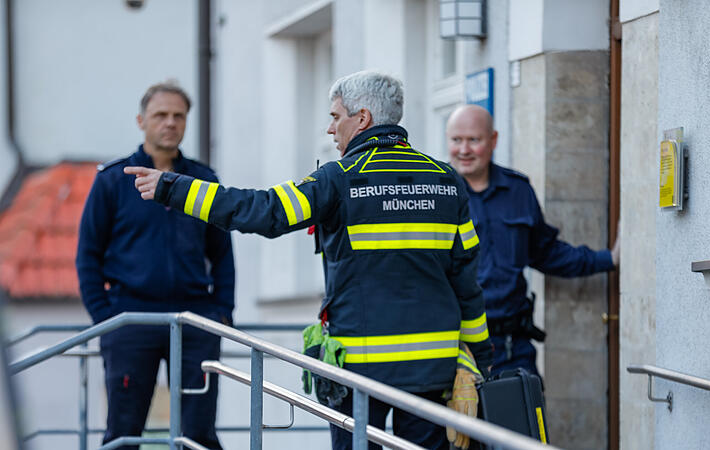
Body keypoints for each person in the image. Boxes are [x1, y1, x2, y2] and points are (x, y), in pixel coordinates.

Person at [125, 71, 492, 450]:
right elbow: (466, 282)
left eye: (336, 117)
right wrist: (478, 361)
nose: (331, 129)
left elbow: (264, 211)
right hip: (433, 366)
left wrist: (175, 187)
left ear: (362, 119)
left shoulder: (340, 178)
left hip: (361, 370)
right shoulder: (446, 181)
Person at [76, 81, 235, 449]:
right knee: (123, 433)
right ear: (141, 121)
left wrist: (222, 313)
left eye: (179, 115)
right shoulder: (114, 180)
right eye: (160, 115)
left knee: (198, 435)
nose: (170, 123)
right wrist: (105, 318)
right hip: (130, 320)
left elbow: (222, 254)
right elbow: (88, 254)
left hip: (195, 320)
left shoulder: (203, 179)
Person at [445, 104, 619, 380]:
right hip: (456, 347)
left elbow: (546, 252)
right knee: (458, 424)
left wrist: (607, 259)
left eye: (473, 140)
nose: (464, 150)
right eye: (456, 140)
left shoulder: (518, 190)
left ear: (493, 140)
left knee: (523, 421)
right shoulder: (439, 194)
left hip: (513, 345)